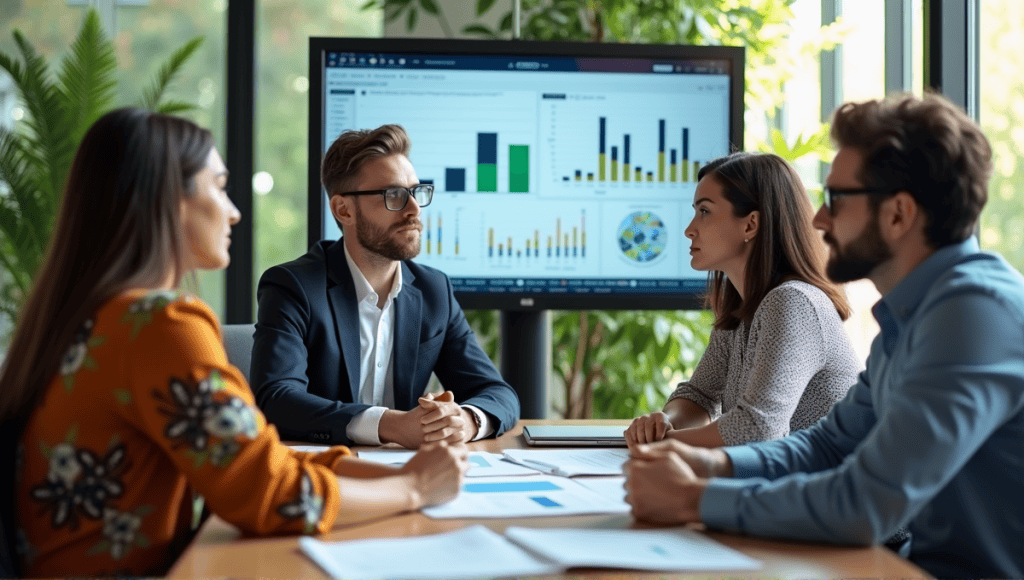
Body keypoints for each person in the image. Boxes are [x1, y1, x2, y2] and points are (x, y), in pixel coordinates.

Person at [0, 108, 469, 578]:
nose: (234, 210)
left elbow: (256, 457)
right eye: (219, 186)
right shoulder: (160, 326)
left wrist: (404, 474)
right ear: (170, 201)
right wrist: (414, 489)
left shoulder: (96, 318)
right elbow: (273, 496)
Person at [624, 93, 1024, 579]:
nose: (818, 219)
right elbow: (828, 446)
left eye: (836, 199)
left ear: (898, 214)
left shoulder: (972, 315)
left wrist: (695, 498)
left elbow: (866, 502)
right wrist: (711, 468)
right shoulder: (913, 317)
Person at [251, 124, 519, 448]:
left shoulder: (434, 291)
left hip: (408, 473)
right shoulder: (293, 287)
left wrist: (465, 421)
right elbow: (277, 399)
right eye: (394, 195)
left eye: (417, 192)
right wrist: (390, 425)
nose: (414, 209)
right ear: (344, 209)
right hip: (326, 476)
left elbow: (498, 394)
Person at [625, 152, 860, 449]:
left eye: (705, 212)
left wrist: (666, 445)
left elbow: (758, 429)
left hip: (825, 490)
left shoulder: (793, 303)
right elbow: (700, 395)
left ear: (750, 225)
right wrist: (664, 422)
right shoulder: (742, 309)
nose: (689, 229)